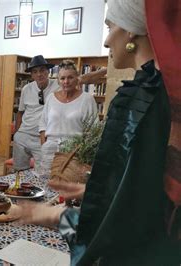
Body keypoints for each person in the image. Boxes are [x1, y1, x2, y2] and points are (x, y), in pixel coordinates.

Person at [18, 0, 180, 264]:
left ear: (130, 32)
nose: (106, 42)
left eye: (110, 26)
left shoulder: (137, 100)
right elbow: (147, 183)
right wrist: (92, 189)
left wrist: (55, 217)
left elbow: (117, 225)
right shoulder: (166, 92)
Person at [38, 60, 98, 174]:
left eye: (70, 77)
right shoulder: (51, 98)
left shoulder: (87, 99)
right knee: (46, 184)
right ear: (58, 80)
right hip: (49, 151)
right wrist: (44, 146)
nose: (66, 81)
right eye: (62, 78)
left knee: (68, 186)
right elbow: (43, 124)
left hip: (74, 152)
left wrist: (83, 154)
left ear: (77, 78)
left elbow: (93, 131)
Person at [13, 55, 58, 174]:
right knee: (19, 171)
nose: (39, 74)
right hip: (23, 135)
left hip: (42, 137)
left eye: (42, 70)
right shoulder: (26, 89)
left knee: (43, 172)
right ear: (32, 75)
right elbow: (20, 112)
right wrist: (16, 134)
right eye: (35, 72)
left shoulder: (58, 86)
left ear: (48, 71)